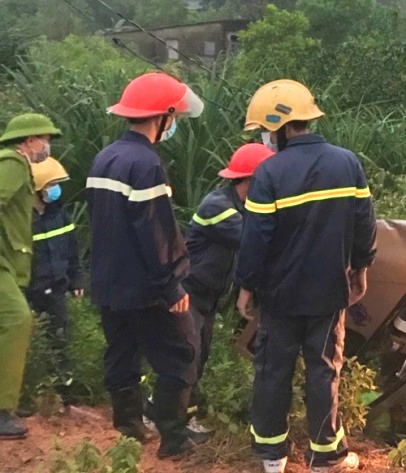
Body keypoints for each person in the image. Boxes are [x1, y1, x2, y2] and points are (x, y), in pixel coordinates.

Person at [235, 79, 376, 473]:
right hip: (329, 292)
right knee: (323, 370)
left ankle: (271, 456)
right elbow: (365, 224)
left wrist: (246, 286)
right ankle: (324, 457)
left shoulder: (268, 173)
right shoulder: (346, 163)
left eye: (265, 129)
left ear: (278, 126)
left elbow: (256, 239)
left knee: (272, 371)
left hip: (278, 296)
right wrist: (361, 268)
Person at [86, 72, 208, 457]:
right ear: (163, 117)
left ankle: (128, 427)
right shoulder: (146, 163)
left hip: (109, 283)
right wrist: (171, 285)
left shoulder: (105, 157)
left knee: (122, 352)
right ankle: (174, 437)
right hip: (145, 287)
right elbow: (155, 230)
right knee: (182, 352)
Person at [181, 143, 274, 433]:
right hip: (188, 293)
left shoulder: (243, 207)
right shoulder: (219, 207)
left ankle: (180, 416)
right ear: (250, 180)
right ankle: (167, 418)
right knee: (187, 355)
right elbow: (252, 243)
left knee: (199, 356)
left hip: (208, 296)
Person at [0, 113, 61, 439]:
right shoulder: (11, 162)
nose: (47, 145)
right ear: (28, 141)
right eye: (44, 138)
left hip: (9, 264)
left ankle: (11, 400)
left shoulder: (16, 165)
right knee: (17, 319)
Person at [25, 157, 85, 404]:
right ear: (37, 187)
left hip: (57, 288)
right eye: (51, 184)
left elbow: (72, 251)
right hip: (30, 292)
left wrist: (77, 279)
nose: (55, 189)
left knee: (59, 338)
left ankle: (64, 391)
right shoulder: (22, 220)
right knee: (28, 343)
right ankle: (27, 395)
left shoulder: (60, 215)